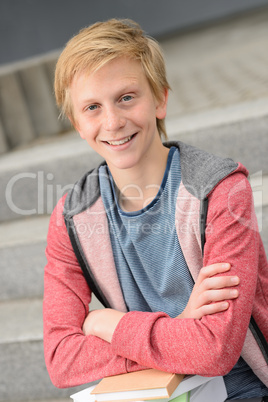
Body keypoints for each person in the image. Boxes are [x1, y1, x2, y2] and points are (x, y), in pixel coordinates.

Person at [43, 19, 268, 401]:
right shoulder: (72, 217)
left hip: (241, 390)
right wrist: (178, 328)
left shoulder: (222, 191)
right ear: (78, 123)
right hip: (150, 392)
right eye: (93, 107)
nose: (113, 122)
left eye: (127, 97)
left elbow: (214, 350)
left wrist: (107, 323)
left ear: (161, 99)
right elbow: (62, 359)